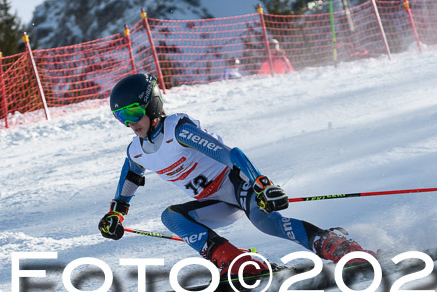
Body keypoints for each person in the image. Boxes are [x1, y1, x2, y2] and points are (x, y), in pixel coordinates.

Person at [98, 73, 373, 277]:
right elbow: (130, 178)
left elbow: (231, 154)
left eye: (133, 111)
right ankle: (235, 261)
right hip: (214, 203)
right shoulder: (136, 150)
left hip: (237, 186)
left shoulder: (178, 130)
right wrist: (117, 213)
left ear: (152, 105)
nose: (130, 122)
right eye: (121, 117)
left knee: (268, 224)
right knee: (171, 216)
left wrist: (261, 184)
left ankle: (334, 245)